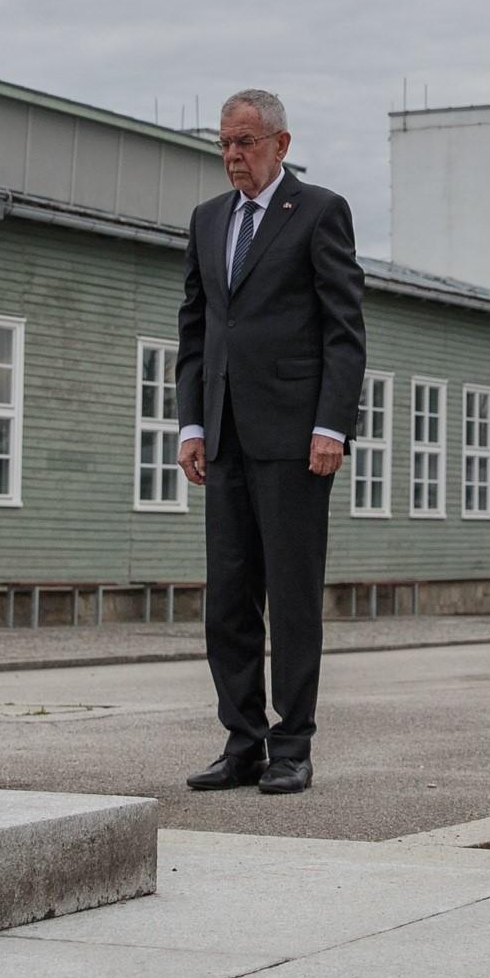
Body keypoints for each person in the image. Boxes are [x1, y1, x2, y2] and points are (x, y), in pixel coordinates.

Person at [176, 88, 366, 796]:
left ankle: (293, 744)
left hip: (295, 439)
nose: (232, 156)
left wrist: (332, 424)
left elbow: (343, 327)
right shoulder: (206, 220)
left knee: (289, 597)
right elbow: (195, 327)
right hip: (222, 436)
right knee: (227, 597)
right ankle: (243, 741)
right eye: (224, 143)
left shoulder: (319, 212)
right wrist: (191, 422)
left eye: (246, 143)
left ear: (281, 145)